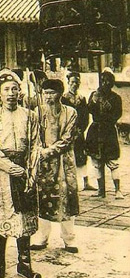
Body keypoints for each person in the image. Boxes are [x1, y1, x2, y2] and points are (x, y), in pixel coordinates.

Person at [0, 72, 41, 278]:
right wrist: (10, 167)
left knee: (23, 218)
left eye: (14, 89)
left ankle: (24, 265)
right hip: (1, 173)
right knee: (1, 216)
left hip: (25, 171)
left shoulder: (30, 116)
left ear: (20, 91)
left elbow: (35, 145)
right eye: (6, 89)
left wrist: (31, 172)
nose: (11, 93)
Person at [31, 79, 79, 253]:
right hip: (43, 163)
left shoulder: (71, 112)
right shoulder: (38, 112)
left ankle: (69, 240)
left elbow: (67, 138)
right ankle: (41, 238)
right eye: (45, 93)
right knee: (42, 199)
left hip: (64, 162)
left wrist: (49, 151)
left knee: (66, 199)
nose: (48, 97)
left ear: (60, 93)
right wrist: (39, 151)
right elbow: (34, 135)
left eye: (52, 93)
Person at [85, 70, 123, 199]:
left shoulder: (116, 98)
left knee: (112, 161)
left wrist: (109, 110)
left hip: (108, 132)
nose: (105, 83)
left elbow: (117, 114)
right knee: (96, 162)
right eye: (103, 80)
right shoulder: (94, 94)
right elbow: (89, 110)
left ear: (112, 83)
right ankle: (101, 191)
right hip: (95, 131)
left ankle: (118, 190)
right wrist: (94, 101)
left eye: (108, 80)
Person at [62, 72, 94, 191]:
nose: (74, 84)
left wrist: (81, 130)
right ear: (68, 83)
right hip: (68, 133)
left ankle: (86, 182)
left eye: (77, 82)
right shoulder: (64, 99)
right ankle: (71, 183)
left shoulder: (82, 99)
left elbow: (85, 116)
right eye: (72, 82)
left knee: (82, 156)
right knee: (69, 157)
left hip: (79, 133)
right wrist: (70, 131)